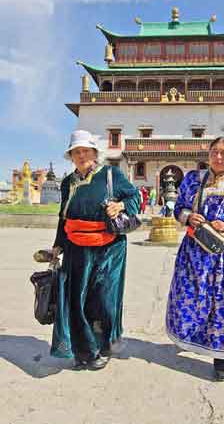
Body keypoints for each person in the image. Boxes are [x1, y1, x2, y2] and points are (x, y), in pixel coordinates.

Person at [166, 136, 224, 381]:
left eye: (223, 152)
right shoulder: (193, 180)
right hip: (195, 253)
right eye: (214, 152)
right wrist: (189, 217)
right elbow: (178, 208)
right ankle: (199, 343)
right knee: (194, 300)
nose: (218, 157)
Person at [50, 130, 140, 370]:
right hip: (75, 248)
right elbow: (63, 216)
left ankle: (103, 344)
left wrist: (121, 204)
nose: (81, 156)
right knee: (77, 301)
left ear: (94, 153)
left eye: (85, 151)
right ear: (71, 156)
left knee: (103, 300)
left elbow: (135, 198)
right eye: (76, 152)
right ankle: (84, 352)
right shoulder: (68, 182)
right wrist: (58, 244)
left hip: (108, 249)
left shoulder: (112, 174)